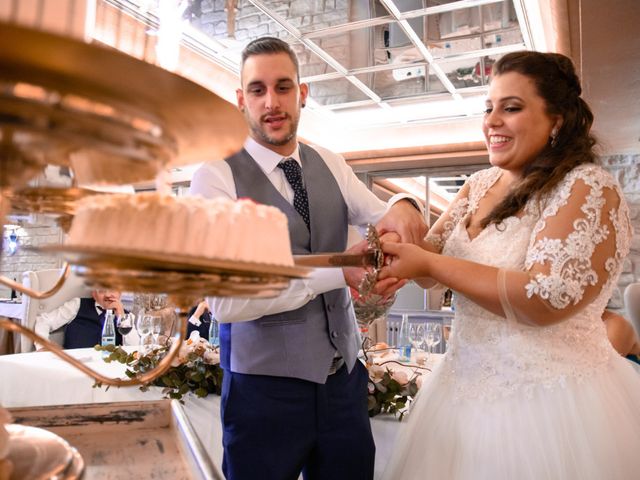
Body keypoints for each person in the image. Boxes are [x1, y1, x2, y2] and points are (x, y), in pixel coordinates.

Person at [378, 51, 640, 479]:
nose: (491, 120)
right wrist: (397, 223)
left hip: (551, 408)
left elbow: (545, 297)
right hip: (458, 398)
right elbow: (426, 267)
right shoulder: (479, 184)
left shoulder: (586, 185)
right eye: (489, 107)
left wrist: (426, 261)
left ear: (556, 119)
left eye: (511, 108)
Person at [190, 36, 427, 480]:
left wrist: (407, 204)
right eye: (257, 90)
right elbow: (225, 302)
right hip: (262, 393)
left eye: (283, 87)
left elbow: (384, 217)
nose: (272, 102)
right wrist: (339, 272)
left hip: (344, 384)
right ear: (241, 100)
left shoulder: (331, 164)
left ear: (302, 94)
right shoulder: (215, 177)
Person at [35, 289, 129, 349]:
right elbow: (44, 321)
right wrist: (42, 346)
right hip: (76, 367)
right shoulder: (77, 305)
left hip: (110, 369)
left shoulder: (127, 316)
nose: (108, 295)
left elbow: (135, 348)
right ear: (94, 294)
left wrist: (121, 317)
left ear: (120, 293)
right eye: (102, 291)